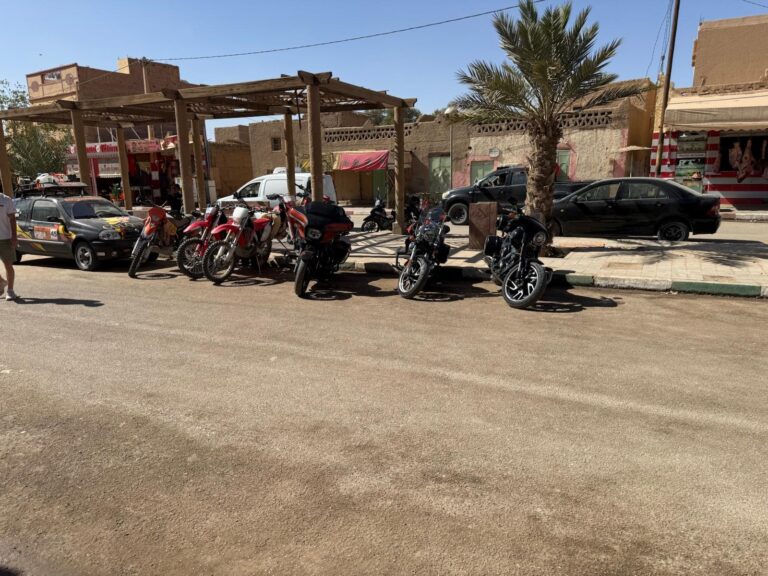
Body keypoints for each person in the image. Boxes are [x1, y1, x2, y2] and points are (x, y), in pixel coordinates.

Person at [0, 189, 18, 301]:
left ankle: (10, 291)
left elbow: (12, 219)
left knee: (8, 265)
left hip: (5, 238)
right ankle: (1, 282)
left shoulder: (6, 200)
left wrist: (14, 237)